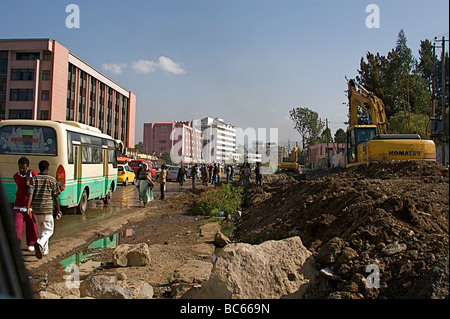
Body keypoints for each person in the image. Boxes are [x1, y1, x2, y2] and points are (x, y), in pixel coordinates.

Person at [26, 160, 61, 259]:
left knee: (41, 230)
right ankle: (40, 243)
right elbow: (56, 196)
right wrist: (58, 209)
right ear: (47, 168)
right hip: (47, 209)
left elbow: (30, 193)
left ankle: (44, 251)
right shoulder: (52, 180)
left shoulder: (34, 179)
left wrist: (28, 207)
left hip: (36, 209)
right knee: (49, 231)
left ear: (39, 168)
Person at [13, 156, 38, 252]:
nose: (21, 169)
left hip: (30, 206)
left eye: (23, 168)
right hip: (18, 205)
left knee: (31, 225)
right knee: (17, 227)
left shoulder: (34, 175)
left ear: (27, 166)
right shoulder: (16, 176)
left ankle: (32, 243)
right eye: (20, 167)